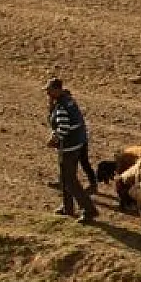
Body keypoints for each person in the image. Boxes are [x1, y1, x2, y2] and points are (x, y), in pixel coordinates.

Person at [45, 77, 98, 223]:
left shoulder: (62, 106)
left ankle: (89, 210)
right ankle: (68, 207)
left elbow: (63, 128)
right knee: (65, 178)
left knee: (70, 180)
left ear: (57, 89)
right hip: (77, 144)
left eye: (49, 90)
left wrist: (53, 139)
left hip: (69, 147)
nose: (47, 93)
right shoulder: (68, 100)